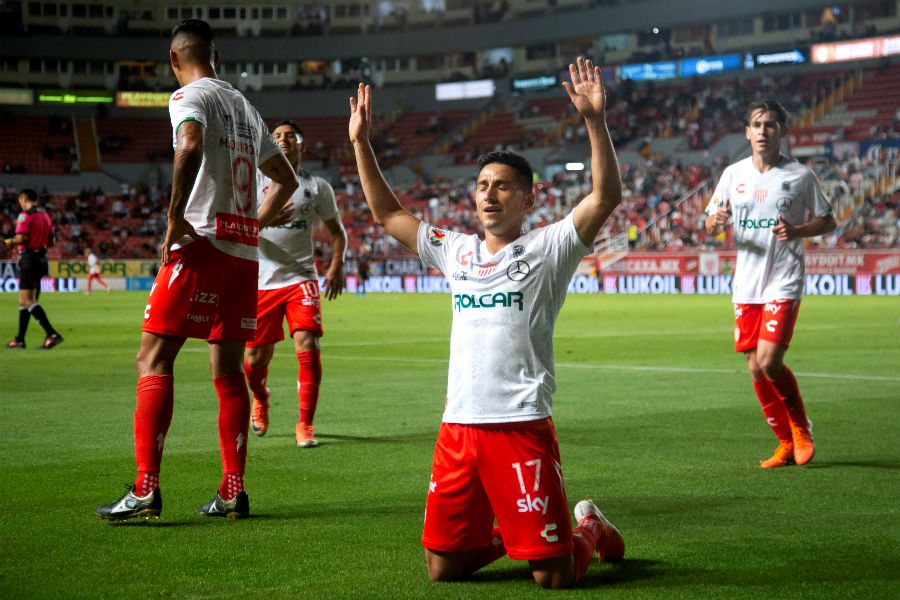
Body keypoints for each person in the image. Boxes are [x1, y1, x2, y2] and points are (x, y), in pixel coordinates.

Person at [348, 57, 625, 589]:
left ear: (529, 197)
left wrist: (594, 120)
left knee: (554, 578)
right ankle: (530, 534)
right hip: (459, 427)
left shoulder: (549, 247)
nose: (489, 195)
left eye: (502, 186)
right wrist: (361, 144)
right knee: (443, 570)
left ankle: (587, 526)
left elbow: (605, 196)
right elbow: (388, 216)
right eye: (482, 185)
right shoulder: (456, 251)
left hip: (520, 425)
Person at [96, 19, 298, 522]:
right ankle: (233, 491)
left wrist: (172, 219)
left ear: (173, 59)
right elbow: (286, 179)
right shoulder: (246, 108)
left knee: (153, 358)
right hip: (243, 254)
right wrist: (252, 225)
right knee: (228, 373)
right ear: (218, 56)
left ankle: (146, 489)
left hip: (201, 242)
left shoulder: (189, 96)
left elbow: (187, 145)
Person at [704, 98, 836, 469]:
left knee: (769, 359)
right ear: (747, 132)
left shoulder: (800, 176)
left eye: (771, 125)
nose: (763, 131)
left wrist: (797, 230)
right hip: (746, 283)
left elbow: (828, 221)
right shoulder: (733, 175)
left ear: (782, 131)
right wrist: (718, 222)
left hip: (784, 278)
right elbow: (710, 224)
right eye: (757, 124)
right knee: (753, 367)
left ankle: (801, 428)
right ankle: (784, 443)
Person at [243, 119, 348, 448]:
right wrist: (266, 218)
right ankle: (260, 398)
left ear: (302, 144)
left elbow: (337, 232)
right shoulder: (253, 181)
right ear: (270, 144)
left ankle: (305, 425)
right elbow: (234, 224)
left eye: (291, 136)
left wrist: (336, 265)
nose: (284, 140)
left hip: (302, 277)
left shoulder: (317, 187)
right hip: (262, 281)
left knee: (308, 345)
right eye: (278, 136)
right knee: (255, 359)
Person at [3, 188, 63, 350]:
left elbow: (22, 237)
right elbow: (51, 241)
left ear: (23, 199)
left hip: (28, 259)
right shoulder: (45, 216)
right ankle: (20, 339)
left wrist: (9, 242)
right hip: (42, 260)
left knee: (25, 300)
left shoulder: (25, 216)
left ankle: (52, 334)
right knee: (27, 301)